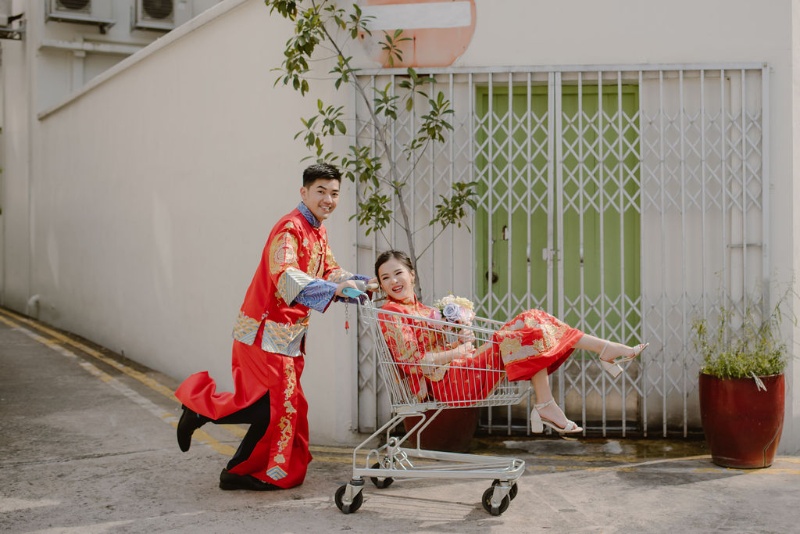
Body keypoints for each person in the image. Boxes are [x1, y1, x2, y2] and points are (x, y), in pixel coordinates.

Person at [174, 163, 372, 491]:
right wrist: (334, 289)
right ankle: (200, 411)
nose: (328, 199)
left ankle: (237, 469)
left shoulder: (317, 230)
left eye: (334, 193)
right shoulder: (290, 228)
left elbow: (330, 270)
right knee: (274, 406)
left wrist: (361, 283)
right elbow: (286, 276)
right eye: (320, 191)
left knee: (280, 407)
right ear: (304, 192)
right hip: (264, 334)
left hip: (286, 336)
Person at [374, 250, 648, 434]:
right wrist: (457, 350)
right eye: (385, 278)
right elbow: (412, 363)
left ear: (412, 274)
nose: (393, 281)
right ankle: (599, 354)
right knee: (528, 325)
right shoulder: (391, 312)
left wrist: (460, 335)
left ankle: (549, 400)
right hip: (449, 384)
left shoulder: (422, 310)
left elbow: (442, 348)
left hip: (461, 370)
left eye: (398, 273)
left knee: (532, 322)